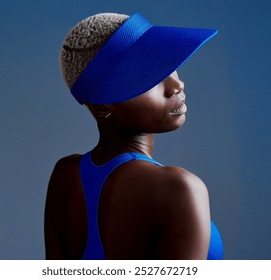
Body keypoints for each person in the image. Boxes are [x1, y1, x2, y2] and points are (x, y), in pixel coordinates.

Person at [44, 12, 223, 260]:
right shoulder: (178, 188)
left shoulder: (65, 175)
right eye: (149, 76)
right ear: (102, 107)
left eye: (169, 66)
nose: (176, 85)